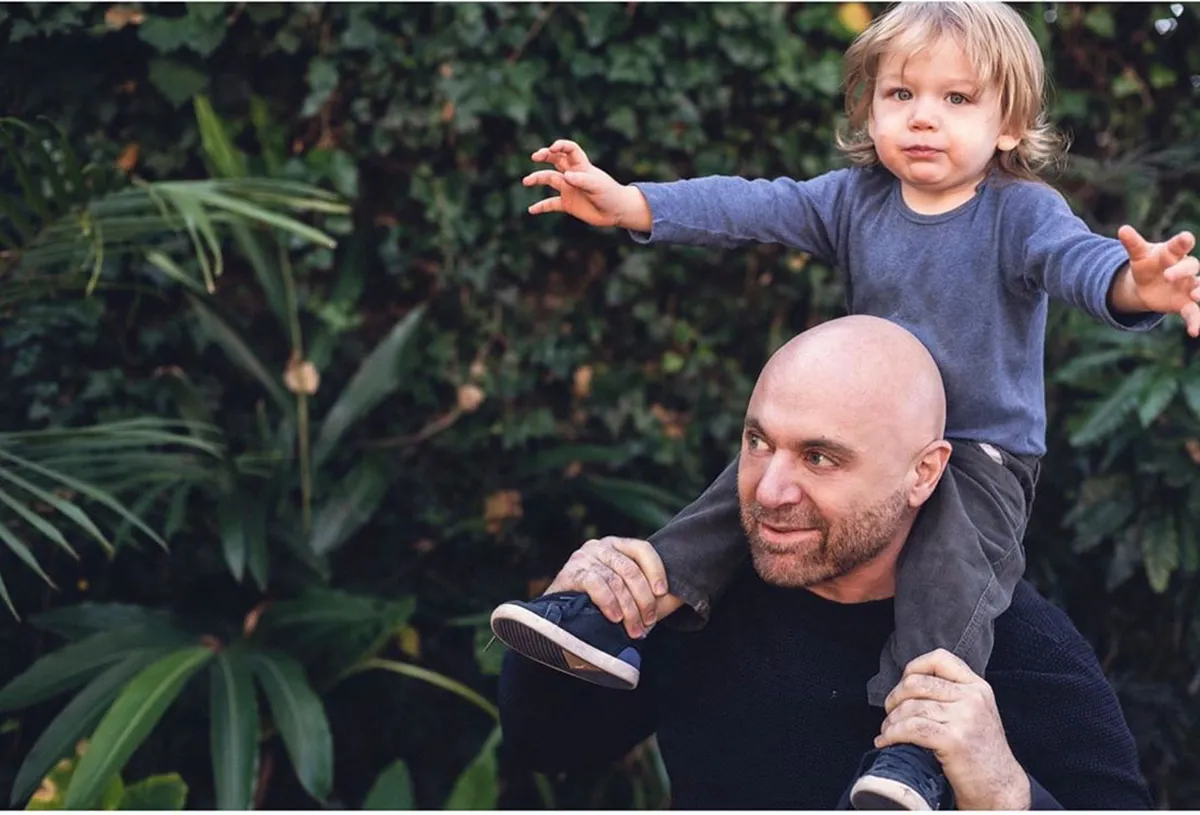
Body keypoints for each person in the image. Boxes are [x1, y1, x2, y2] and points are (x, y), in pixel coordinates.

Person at [490, 2, 1199, 807]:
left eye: (958, 99)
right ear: (869, 108)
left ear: (1010, 125)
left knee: (945, 583)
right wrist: (633, 205)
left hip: (979, 451)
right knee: (732, 501)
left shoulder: (1019, 212)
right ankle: (623, 609)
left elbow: (1078, 262)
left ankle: (914, 747)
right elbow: (751, 205)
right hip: (867, 428)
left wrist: (1134, 286)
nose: (923, 118)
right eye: (901, 94)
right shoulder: (859, 199)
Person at [497, 316, 1151, 810]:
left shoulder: (1022, 650)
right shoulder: (701, 602)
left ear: (923, 473)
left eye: (820, 457)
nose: (769, 490)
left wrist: (1006, 789)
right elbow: (550, 747)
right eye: (758, 442)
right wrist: (565, 627)